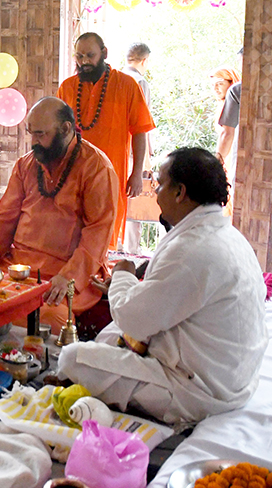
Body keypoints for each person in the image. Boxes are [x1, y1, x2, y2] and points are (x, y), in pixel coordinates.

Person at [58, 147, 267, 424]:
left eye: (159, 184)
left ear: (180, 192)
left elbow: (131, 319)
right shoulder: (228, 236)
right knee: (110, 336)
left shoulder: (192, 249)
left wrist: (123, 273)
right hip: (230, 378)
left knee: (72, 357)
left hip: (201, 393)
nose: (155, 193)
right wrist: (126, 287)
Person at [0, 97, 118, 333]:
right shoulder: (25, 165)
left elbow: (99, 231)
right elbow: (4, 219)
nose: (34, 142)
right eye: (31, 134)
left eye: (40, 134)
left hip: (64, 271)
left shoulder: (96, 167)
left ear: (65, 129)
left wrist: (68, 277)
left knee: (49, 316)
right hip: (17, 267)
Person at [57, 33, 155, 250]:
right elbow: (57, 133)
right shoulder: (67, 87)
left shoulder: (127, 85)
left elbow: (140, 131)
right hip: (72, 175)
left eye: (90, 55)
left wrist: (136, 173)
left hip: (111, 175)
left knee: (104, 238)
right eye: (79, 56)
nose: (84, 61)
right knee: (70, 238)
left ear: (104, 53)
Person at [120, 42, 154, 254]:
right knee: (134, 200)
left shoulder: (115, 80)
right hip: (134, 151)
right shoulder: (140, 82)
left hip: (116, 149)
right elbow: (143, 126)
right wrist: (146, 163)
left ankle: (116, 246)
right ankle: (131, 250)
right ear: (145, 61)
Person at [216, 48, 244, 217]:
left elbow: (227, 133)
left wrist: (216, 163)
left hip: (242, 162)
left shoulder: (238, 91)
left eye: (220, 83)